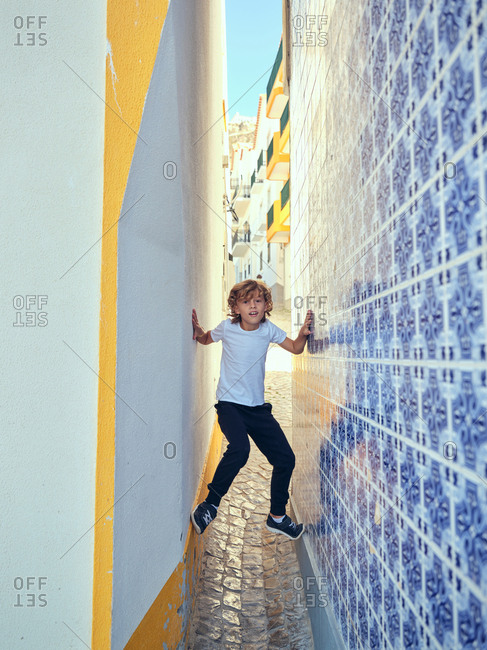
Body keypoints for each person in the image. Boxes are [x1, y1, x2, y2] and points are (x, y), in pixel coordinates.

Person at [191, 278, 312, 540]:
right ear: (236, 308)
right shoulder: (227, 328)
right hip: (230, 405)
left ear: (266, 304)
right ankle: (210, 504)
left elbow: (294, 348)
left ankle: (277, 517)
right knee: (240, 449)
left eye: (258, 300)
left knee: (285, 459)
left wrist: (302, 334)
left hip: (257, 410)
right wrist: (199, 332)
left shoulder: (269, 330)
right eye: (246, 302)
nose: (253, 306)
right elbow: (205, 339)